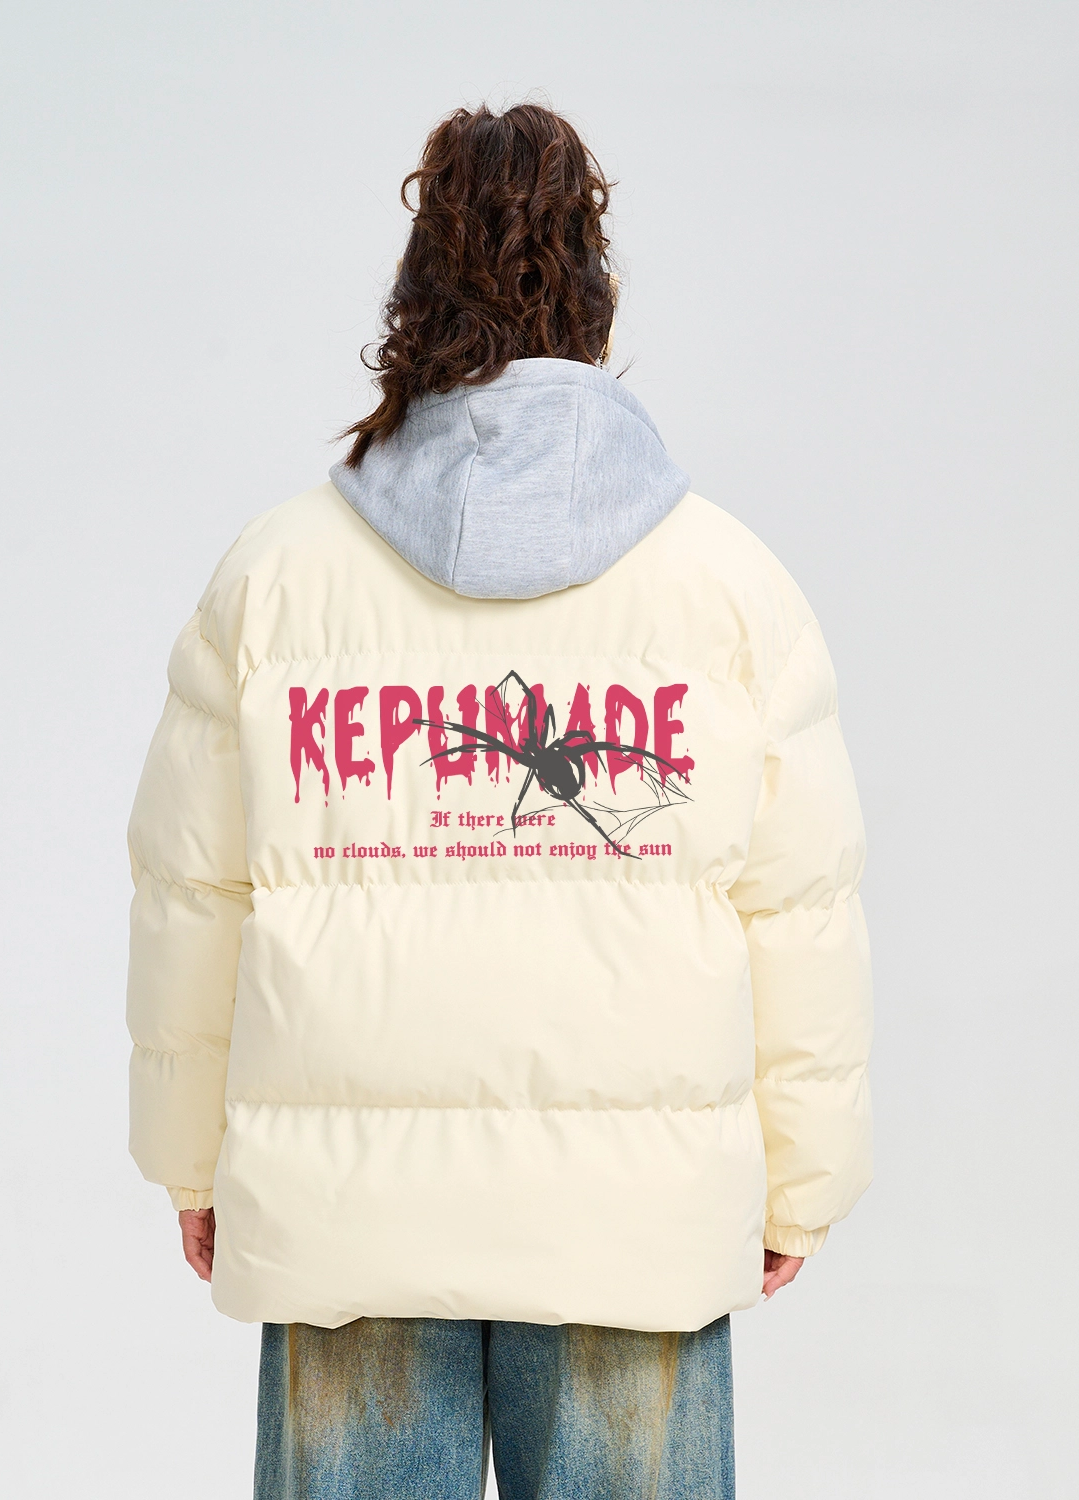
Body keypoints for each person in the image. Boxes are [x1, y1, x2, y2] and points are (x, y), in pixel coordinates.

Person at [126, 102, 872, 1500]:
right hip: (633, 1219)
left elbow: (193, 894)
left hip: (347, 1210)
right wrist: (805, 1177)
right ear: (593, 291)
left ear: (417, 289)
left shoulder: (277, 576)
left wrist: (191, 1162)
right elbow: (798, 910)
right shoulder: (730, 587)